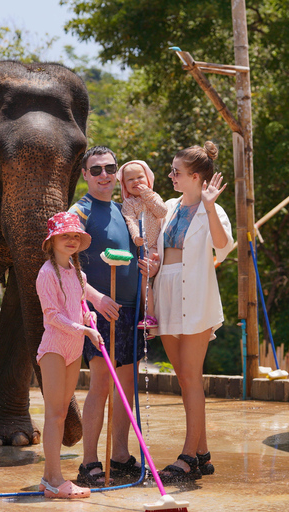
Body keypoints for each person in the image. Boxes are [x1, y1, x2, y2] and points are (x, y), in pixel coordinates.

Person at [153, 141, 234, 482]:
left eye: (177, 172)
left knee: (190, 376)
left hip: (196, 297)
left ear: (196, 177)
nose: (170, 175)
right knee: (185, 378)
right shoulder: (169, 206)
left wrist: (211, 206)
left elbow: (222, 246)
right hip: (166, 294)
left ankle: (187, 455)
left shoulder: (211, 209)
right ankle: (202, 453)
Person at [68, 146, 147, 486]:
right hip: (98, 312)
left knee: (126, 387)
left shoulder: (122, 210)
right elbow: (65, 266)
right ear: (84, 174)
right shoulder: (79, 212)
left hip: (131, 312)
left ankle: (120, 455)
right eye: (95, 169)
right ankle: (89, 463)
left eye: (109, 168)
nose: (104, 175)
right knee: (100, 384)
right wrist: (97, 299)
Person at [35, 211, 109, 499]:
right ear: (51, 241)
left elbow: (79, 305)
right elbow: (52, 316)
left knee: (63, 413)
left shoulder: (79, 274)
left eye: (75, 235)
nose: (71, 239)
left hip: (74, 347)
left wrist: (88, 316)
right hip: (54, 347)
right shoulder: (46, 273)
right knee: (54, 414)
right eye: (65, 235)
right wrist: (85, 329)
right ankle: (54, 479)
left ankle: (47, 478)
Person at [117, 160, 168, 337]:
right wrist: (135, 235)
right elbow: (130, 220)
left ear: (148, 178)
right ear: (124, 184)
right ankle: (149, 317)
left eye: (140, 177)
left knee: (150, 279)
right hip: (142, 247)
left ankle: (151, 317)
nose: (136, 181)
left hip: (157, 246)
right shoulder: (129, 203)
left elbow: (162, 212)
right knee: (144, 281)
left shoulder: (153, 196)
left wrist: (147, 195)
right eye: (130, 179)